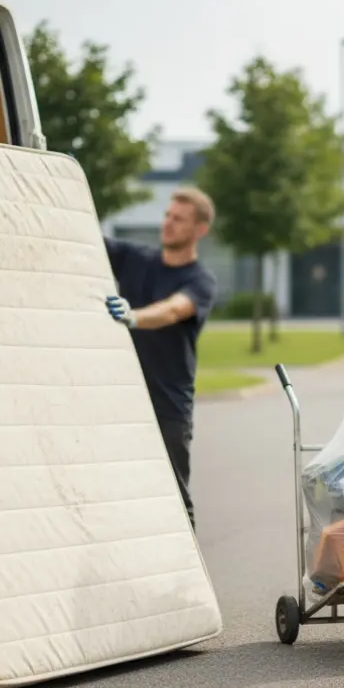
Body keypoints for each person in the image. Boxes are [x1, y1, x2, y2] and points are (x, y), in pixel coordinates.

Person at [103, 186, 219, 531]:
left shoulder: (200, 281)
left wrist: (133, 317)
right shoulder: (134, 258)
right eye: (168, 215)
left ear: (200, 229)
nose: (168, 223)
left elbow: (172, 310)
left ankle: (188, 566)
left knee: (175, 500)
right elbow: (83, 240)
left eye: (179, 219)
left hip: (169, 407)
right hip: (124, 401)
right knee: (121, 493)